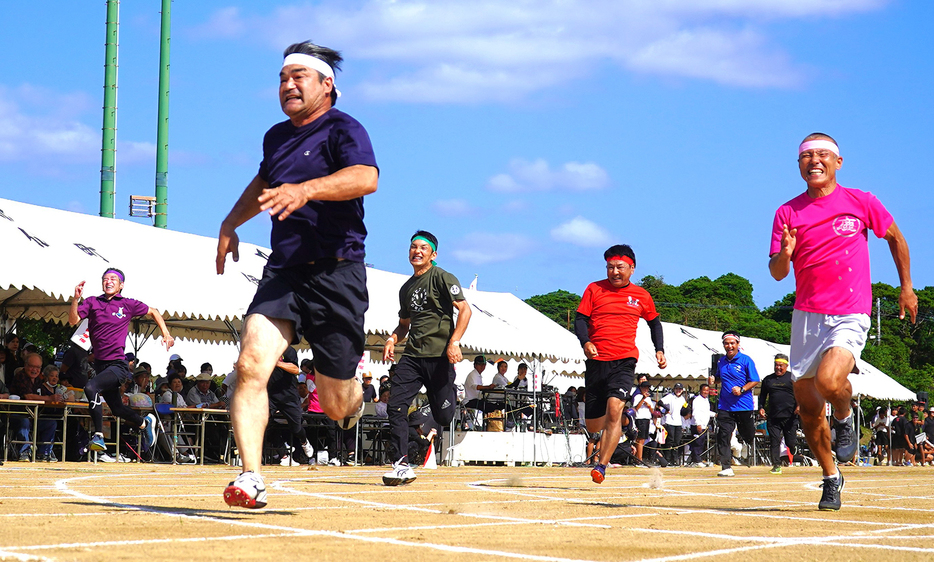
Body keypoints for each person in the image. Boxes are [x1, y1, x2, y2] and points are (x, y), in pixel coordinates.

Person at [216, 41, 379, 509]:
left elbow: (366, 177)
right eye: (282, 78)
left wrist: (307, 190)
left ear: (327, 85)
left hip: (337, 270)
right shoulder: (275, 137)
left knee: (334, 404)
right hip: (284, 270)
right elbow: (264, 183)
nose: (287, 85)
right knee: (249, 365)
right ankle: (251, 477)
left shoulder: (344, 128)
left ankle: (353, 399)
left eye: (298, 77)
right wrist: (230, 223)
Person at [769, 132, 917, 509]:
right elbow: (776, 273)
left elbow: (896, 238)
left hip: (851, 310)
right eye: (806, 156)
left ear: (837, 162)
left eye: (822, 154)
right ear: (799, 165)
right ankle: (831, 476)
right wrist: (785, 253)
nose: (813, 161)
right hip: (806, 316)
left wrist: (907, 287)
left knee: (829, 381)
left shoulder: (860, 201)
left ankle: (846, 414)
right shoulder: (787, 212)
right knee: (808, 407)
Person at [382, 231, 471, 485]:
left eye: (423, 247)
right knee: (395, 405)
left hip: (440, 357)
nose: (417, 251)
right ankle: (401, 465)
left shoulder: (442, 277)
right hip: (412, 356)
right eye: (413, 247)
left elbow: (465, 309)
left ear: (433, 254)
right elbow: (403, 326)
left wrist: (454, 342)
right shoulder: (406, 288)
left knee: (443, 417)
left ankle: (450, 393)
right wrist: (391, 339)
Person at [575, 244, 666, 483]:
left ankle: (601, 466)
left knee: (614, 408)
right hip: (597, 361)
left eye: (620, 267)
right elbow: (580, 319)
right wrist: (585, 342)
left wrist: (660, 350)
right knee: (594, 424)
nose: (614, 272)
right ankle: (623, 421)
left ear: (632, 269)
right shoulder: (594, 289)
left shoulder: (641, 295)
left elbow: (655, 323)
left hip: (624, 360)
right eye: (610, 267)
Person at [68, 269, 168, 456]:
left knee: (91, 388)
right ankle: (145, 422)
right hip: (101, 365)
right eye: (105, 279)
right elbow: (73, 320)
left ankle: (98, 435)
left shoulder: (127, 304)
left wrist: (166, 333)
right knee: (117, 408)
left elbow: (153, 311)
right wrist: (75, 299)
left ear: (121, 285)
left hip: (119, 365)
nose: (109, 282)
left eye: (113, 279)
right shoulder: (92, 302)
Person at [713, 331, 759, 478]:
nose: (729, 346)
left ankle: (746, 442)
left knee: (748, 434)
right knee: (723, 434)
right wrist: (714, 381)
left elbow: (755, 380)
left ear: (738, 344)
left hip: (743, 405)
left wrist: (742, 389)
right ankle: (726, 466)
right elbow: (719, 378)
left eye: (732, 343)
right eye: (727, 343)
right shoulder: (720, 361)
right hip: (725, 405)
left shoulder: (746, 360)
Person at [758, 353, 798, 474]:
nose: (778, 368)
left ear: (786, 366)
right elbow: (763, 396)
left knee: (790, 442)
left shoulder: (793, 378)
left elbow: (800, 393)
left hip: (790, 416)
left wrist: (799, 406)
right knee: (774, 441)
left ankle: (793, 447)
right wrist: (760, 407)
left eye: (781, 365)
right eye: (776, 365)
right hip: (773, 417)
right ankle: (776, 465)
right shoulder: (768, 380)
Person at [689, 384, 712, 466]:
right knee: (697, 443)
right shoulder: (697, 400)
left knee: (701, 443)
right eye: (704, 390)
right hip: (697, 425)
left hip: (704, 426)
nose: (706, 392)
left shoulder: (706, 400)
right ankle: (696, 460)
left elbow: (706, 412)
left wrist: (715, 414)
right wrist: (698, 424)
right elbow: (695, 413)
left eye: (707, 390)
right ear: (700, 390)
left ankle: (698, 459)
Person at [631, 381, 655, 463]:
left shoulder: (649, 398)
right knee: (639, 439)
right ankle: (639, 459)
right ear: (641, 388)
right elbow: (635, 408)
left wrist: (649, 406)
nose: (646, 390)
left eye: (647, 388)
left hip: (647, 419)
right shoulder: (638, 396)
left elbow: (652, 411)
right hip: (640, 418)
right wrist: (643, 399)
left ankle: (638, 457)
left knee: (643, 439)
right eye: (644, 388)